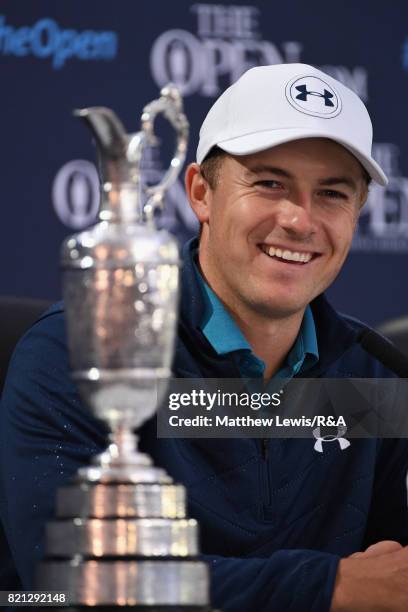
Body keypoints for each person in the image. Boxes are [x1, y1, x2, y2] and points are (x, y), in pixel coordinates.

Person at [1, 63, 407, 611]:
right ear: (200, 193)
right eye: (269, 183)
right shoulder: (81, 352)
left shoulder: (375, 377)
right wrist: (327, 589)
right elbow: (69, 583)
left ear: (357, 214)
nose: (299, 218)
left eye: (332, 194)